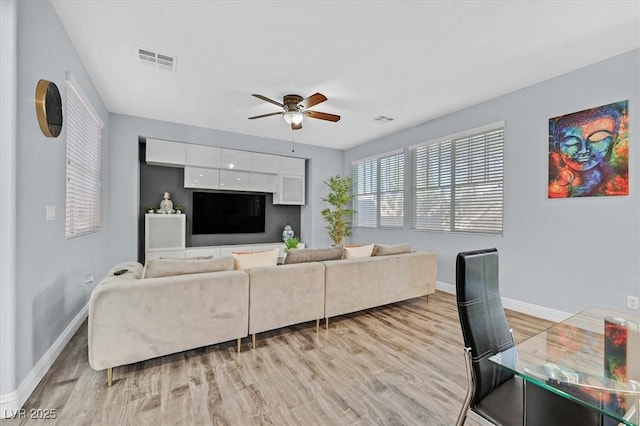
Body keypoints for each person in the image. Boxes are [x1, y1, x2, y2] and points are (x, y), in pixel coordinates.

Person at [549, 101, 628, 198]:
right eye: (571, 142)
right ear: (558, 148)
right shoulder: (555, 189)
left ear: (613, 140)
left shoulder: (617, 185)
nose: (583, 150)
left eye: (597, 139)